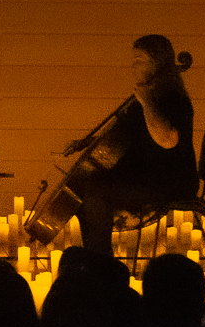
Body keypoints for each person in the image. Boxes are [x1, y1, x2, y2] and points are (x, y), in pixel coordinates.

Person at [70, 33, 197, 259]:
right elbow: (121, 135)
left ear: (157, 63)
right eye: (133, 60)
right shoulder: (142, 100)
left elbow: (168, 139)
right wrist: (89, 143)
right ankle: (94, 254)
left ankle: (102, 262)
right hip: (145, 175)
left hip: (169, 180)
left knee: (98, 191)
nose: (133, 65)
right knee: (81, 189)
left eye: (139, 60)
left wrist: (147, 103)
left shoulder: (173, 98)